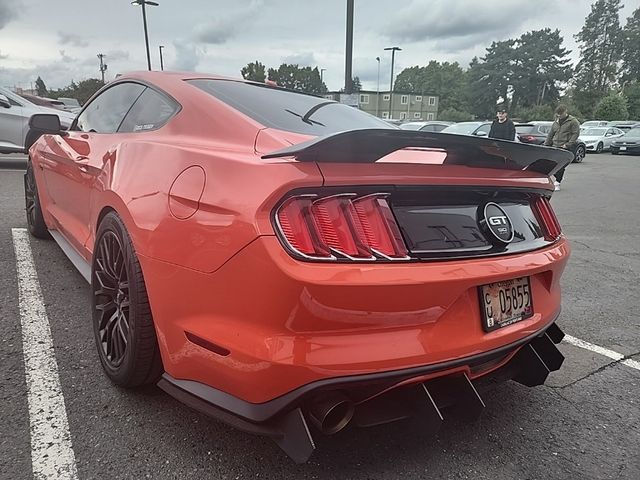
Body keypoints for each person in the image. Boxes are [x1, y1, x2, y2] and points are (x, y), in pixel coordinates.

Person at [544, 104, 580, 191]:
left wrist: (568, 144)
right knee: (551, 164)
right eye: (558, 114)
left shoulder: (573, 121)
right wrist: (546, 144)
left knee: (560, 165)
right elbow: (551, 134)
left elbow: (575, 134)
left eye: (561, 114)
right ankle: (559, 176)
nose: (559, 116)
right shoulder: (555, 122)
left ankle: (557, 182)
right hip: (555, 145)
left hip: (565, 146)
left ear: (565, 112)